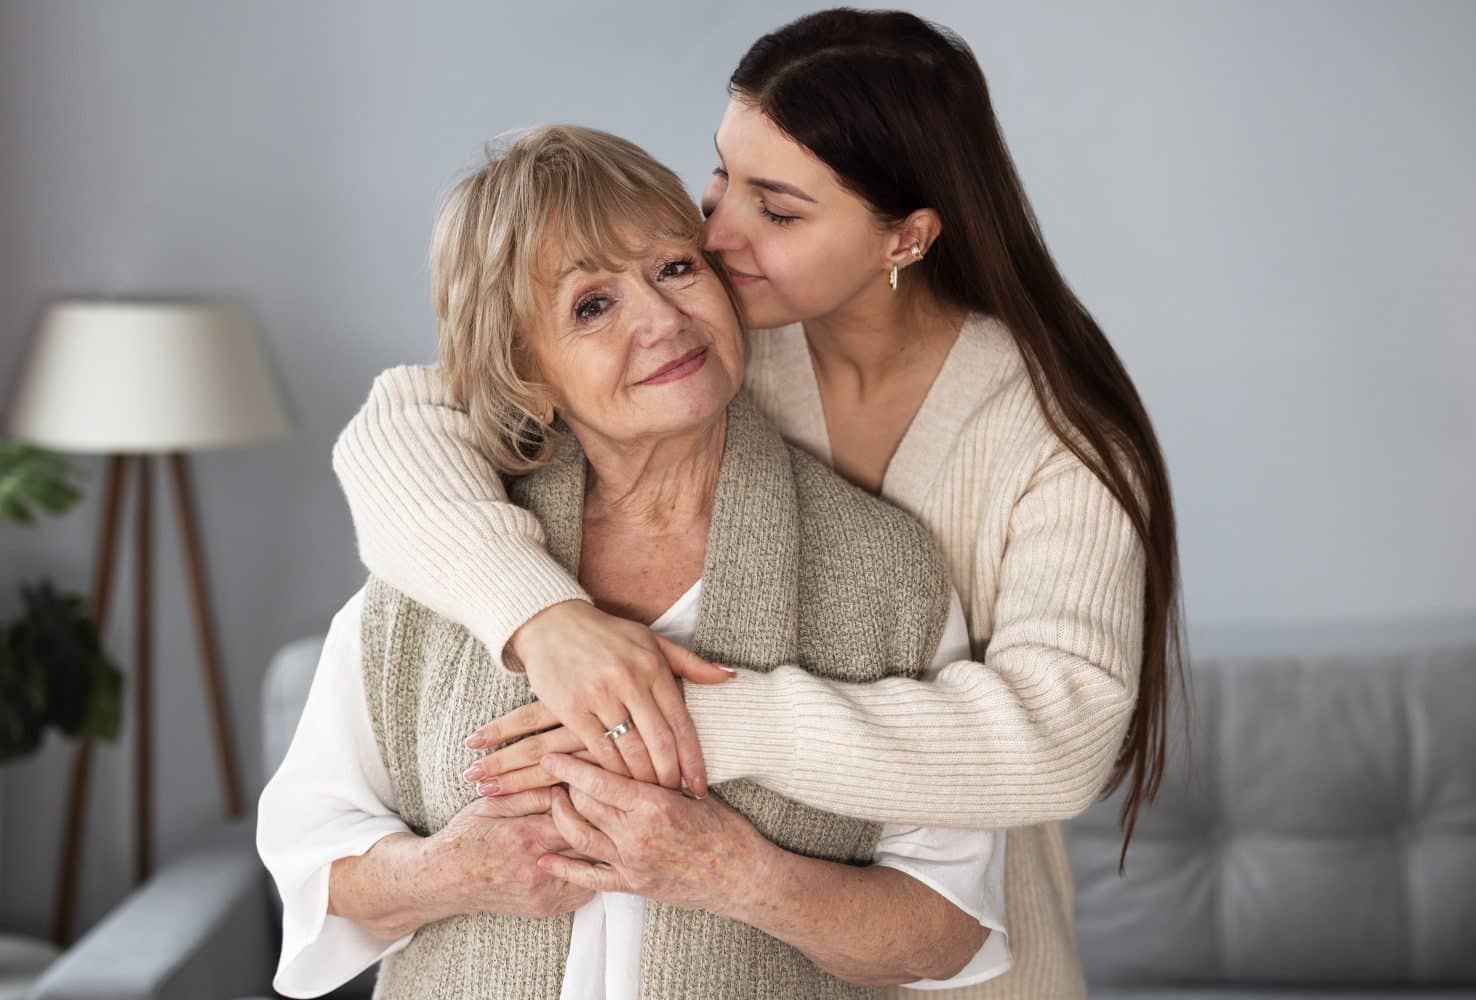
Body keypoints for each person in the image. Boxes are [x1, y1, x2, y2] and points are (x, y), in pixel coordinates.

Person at [330, 10, 1187, 999]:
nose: (716, 232)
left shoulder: (1056, 439)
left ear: (905, 236)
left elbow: (1058, 739)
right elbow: (401, 424)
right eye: (720, 176)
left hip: (961, 966)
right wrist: (543, 617)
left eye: (776, 210)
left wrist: (686, 725)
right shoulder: (708, 339)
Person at [258, 124, 1014, 1000]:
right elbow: (313, 869)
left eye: (674, 268)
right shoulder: (437, 556)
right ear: (526, 370)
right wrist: (451, 872)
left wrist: (736, 874)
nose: (661, 320)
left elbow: (947, 929)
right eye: (591, 305)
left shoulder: (888, 573)